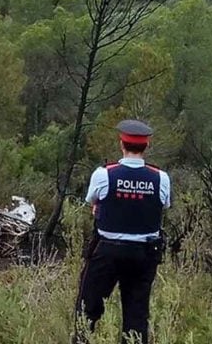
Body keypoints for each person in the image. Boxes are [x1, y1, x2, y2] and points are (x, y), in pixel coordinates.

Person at [73, 119, 171, 344]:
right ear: (146, 146)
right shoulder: (161, 178)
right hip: (144, 254)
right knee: (136, 317)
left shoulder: (104, 174)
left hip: (107, 252)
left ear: (122, 144)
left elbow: (92, 202)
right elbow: (164, 205)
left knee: (87, 311)